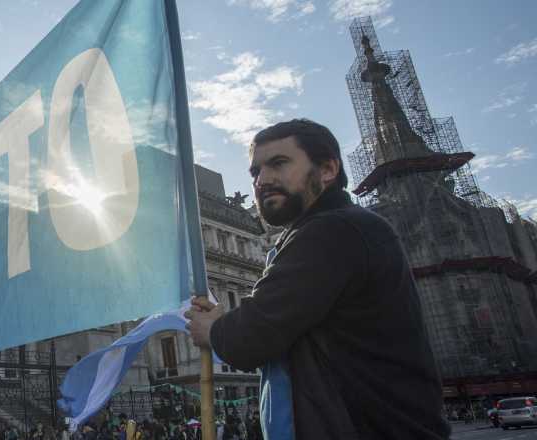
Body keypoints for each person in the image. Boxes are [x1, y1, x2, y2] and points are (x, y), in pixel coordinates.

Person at [185, 119, 450, 439]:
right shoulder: (332, 229)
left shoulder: (333, 230)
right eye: (256, 172)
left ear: (327, 170)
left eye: (279, 164)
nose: (263, 179)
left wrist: (213, 329)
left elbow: (253, 336)